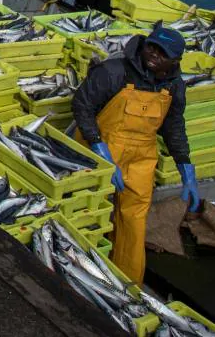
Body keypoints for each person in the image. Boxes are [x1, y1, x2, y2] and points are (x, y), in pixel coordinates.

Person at [72, 23, 200, 284]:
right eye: (152, 47)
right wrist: (100, 152)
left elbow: (174, 127)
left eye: (162, 53)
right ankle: (79, 273)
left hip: (140, 159)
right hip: (96, 150)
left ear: (175, 61)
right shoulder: (113, 72)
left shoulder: (174, 87)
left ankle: (127, 286)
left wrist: (186, 169)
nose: (154, 54)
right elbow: (82, 107)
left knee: (134, 222)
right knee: (86, 214)